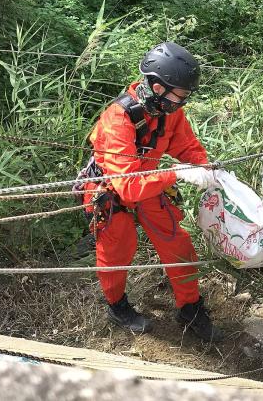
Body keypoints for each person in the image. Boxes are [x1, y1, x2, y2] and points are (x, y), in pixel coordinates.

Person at [80, 41, 222, 339]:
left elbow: (186, 146)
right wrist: (178, 173)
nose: (183, 102)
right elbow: (128, 187)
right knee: (117, 249)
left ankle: (190, 308)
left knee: (177, 243)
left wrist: (205, 167)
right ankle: (117, 306)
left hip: (149, 180)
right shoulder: (117, 119)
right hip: (112, 188)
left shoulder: (169, 110)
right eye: (180, 95)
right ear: (158, 88)